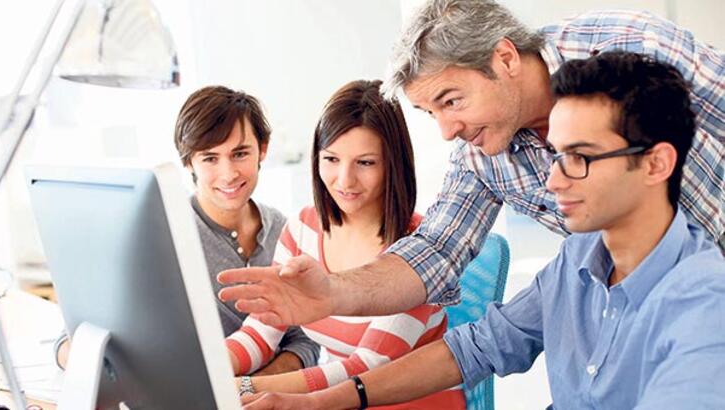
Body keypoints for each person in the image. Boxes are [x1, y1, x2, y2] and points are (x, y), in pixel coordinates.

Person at [238, 51, 725, 410]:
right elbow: (478, 346)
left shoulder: (704, 304)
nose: (552, 181)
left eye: (578, 158)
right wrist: (320, 402)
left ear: (656, 163)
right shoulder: (578, 258)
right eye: (556, 155)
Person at [217, 0, 724, 328]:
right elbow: (435, 252)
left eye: (451, 100)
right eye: (430, 113)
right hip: (668, 312)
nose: (446, 130)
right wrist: (333, 292)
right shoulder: (480, 155)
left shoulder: (631, 46)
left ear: (505, 58)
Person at [230, 80, 465, 409]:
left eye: (365, 162)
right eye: (331, 159)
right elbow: (260, 331)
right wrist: (205, 370)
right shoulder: (302, 229)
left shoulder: (421, 249)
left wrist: (243, 386)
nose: (344, 180)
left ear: (393, 163)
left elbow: (364, 368)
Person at [54, 86, 319, 373]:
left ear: (262, 149)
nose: (228, 174)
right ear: (188, 161)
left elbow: (304, 340)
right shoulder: (156, 233)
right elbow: (72, 343)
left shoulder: (284, 230)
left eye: (240, 153)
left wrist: (252, 388)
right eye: (210, 158)